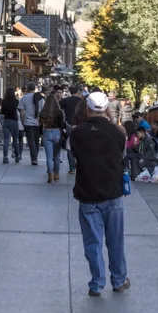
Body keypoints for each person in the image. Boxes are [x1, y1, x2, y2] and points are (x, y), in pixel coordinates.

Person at [70, 91, 130, 297]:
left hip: (87, 193)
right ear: (106, 108)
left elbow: (76, 155)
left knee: (92, 243)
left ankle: (96, 283)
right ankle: (119, 279)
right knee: (115, 240)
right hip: (113, 193)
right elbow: (121, 154)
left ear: (87, 108)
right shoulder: (118, 131)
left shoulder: (77, 134)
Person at [39, 90, 66, 182]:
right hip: (57, 133)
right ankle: (56, 175)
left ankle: (50, 175)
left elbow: (40, 124)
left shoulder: (43, 112)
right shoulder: (59, 112)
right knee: (57, 156)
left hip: (46, 132)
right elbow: (62, 125)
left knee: (49, 156)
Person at [19, 82, 44, 165]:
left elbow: (22, 112)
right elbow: (43, 111)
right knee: (37, 140)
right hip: (38, 122)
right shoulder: (40, 98)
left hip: (28, 122)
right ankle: (35, 157)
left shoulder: (24, 98)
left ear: (27, 89)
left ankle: (33, 158)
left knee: (31, 141)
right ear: (35, 88)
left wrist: (23, 121)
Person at [60, 85, 82, 175]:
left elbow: (59, 108)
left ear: (70, 92)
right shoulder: (82, 101)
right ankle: (80, 164)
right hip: (81, 126)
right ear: (78, 92)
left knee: (69, 147)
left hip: (69, 125)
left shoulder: (66, 101)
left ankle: (72, 167)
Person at [1, 88, 21, 163]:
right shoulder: (16, 101)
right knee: (15, 140)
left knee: (6, 140)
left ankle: (5, 157)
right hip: (14, 121)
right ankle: (17, 156)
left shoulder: (4, 101)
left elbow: (2, 111)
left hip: (6, 121)